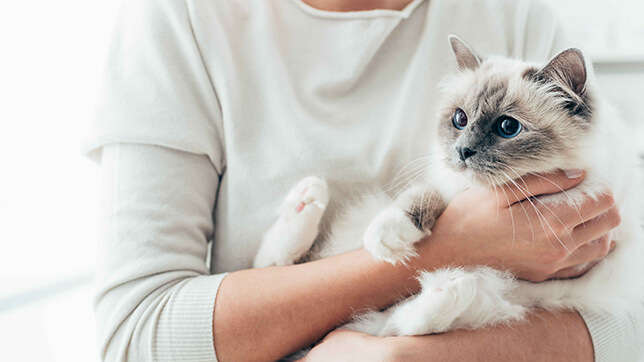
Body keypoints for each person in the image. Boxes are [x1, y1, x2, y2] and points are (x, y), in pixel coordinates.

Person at [83, 0, 644, 360]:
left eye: (501, 128)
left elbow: (630, 324)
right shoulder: (179, 18)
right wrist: (444, 249)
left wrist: (409, 359)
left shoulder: (515, 13)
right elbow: (135, 336)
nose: (468, 145)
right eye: (459, 122)